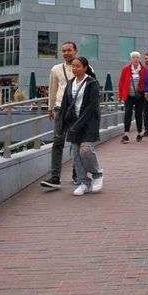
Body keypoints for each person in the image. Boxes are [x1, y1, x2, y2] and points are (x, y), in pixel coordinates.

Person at [56, 56, 103, 196]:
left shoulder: (92, 83)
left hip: (89, 123)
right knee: (75, 154)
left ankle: (97, 175)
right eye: (73, 66)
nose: (74, 68)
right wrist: (61, 127)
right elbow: (65, 105)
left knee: (86, 151)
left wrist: (78, 124)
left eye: (78, 66)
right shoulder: (70, 83)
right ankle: (84, 182)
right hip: (74, 123)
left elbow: (91, 107)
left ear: (85, 67)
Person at [40, 41, 78, 189]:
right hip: (60, 109)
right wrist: (50, 108)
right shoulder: (56, 69)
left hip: (77, 110)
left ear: (75, 51)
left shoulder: (84, 67)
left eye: (69, 50)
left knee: (76, 143)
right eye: (64, 51)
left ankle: (77, 174)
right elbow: (53, 89)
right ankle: (55, 178)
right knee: (57, 143)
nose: (66, 53)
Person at [117, 51, 147, 143]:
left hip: (139, 95)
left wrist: (146, 93)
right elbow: (121, 83)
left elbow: (147, 82)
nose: (135, 59)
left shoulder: (144, 70)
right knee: (128, 113)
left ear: (139, 59)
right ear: (131, 59)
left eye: (137, 57)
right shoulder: (126, 69)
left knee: (138, 114)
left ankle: (139, 133)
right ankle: (126, 134)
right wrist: (120, 96)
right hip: (129, 95)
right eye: (133, 57)